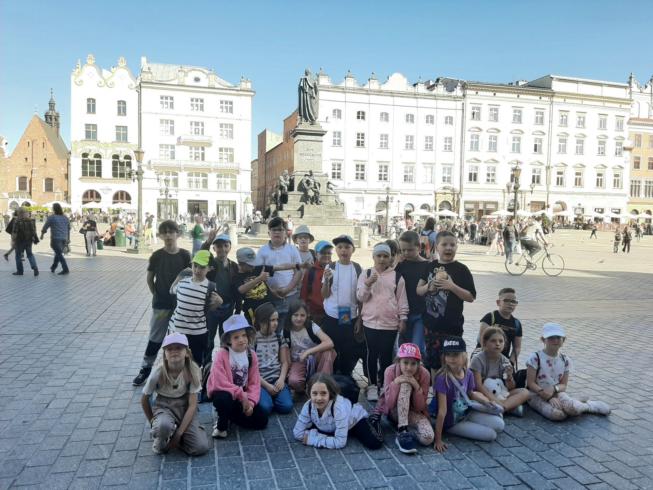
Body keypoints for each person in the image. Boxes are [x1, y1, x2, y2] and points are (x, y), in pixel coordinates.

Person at [133, 221, 192, 386]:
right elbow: (149, 279)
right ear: (160, 236)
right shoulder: (157, 256)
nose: (168, 235)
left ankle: (182, 371)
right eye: (164, 232)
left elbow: (190, 276)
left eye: (171, 232)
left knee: (181, 339)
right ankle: (145, 369)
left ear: (177, 234)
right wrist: (157, 295)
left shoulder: (185, 255)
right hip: (161, 306)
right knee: (155, 338)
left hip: (180, 305)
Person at [140, 332, 209, 456]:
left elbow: (192, 405)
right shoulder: (158, 372)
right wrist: (152, 422)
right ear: (165, 354)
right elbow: (144, 399)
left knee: (201, 447)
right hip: (164, 407)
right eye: (169, 349)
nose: (174, 351)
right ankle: (163, 434)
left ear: (187, 352)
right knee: (162, 431)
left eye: (178, 348)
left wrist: (178, 434)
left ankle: (178, 435)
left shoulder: (193, 370)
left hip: (185, 407)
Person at [416, 231, 476, 372]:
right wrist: (428, 287)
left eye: (452, 245)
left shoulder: (462, 269)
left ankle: (451, 386)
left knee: (453, 363)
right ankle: (436, 386)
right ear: (437, 247)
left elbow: (471, 297)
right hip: (431, 326)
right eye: (444, 244)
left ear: (456, 247)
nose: (449, 248)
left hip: (452, 327)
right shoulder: (429, 266)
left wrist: (452, 286)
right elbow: (418, 290)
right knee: (433, 364)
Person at [433, 337, 505, 452]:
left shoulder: (468, 373)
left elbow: (471, 394)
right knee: (491, 435)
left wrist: (485, 401)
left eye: (455, 354)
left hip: (467, 412)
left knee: (500, 425)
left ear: (464, 355)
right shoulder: (443, 378)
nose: (451, 358)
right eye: (448, 355)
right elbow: (442, 411)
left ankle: (472, 423)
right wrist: (438, 439)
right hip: (452, 422)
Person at [357, 243, 408, 402]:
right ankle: (372, 385)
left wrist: (403, 318)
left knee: (386, 355)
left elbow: (402, 299)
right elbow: (361, 297)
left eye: (385, 256)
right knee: (372, 354)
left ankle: (386, 384)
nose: (382, 259)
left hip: (390, 323)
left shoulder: (397, 277)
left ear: (390, 258)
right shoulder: (366, 274)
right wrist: (367, 284)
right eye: (378, 255)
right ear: (373, 257)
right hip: (370, 322)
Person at [526, 323, 610, 420]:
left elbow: (563, 385)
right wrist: (548, 397)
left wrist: (553, 389)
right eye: (551, 337)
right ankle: (576, 401)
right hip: (536, 394)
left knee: (572, 409)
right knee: (558, 415)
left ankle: (589, 406)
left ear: (564, 340)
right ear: (543, 339)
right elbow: (530, 383)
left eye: (558, 337)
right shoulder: (535, 358)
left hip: (556, 391)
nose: (555, 340)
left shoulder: (565, 360)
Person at [207, 315, 268, 438]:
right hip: (225, 393)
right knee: (223, 399)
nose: (241, 340)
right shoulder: (221, 354)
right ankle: (221, 427)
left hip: (242, 397)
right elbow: (219, 383)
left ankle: (229, 415)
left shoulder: (251, 355)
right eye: (236, 337)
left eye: (244, 335)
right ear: (229, 340)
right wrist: (241, 395)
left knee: (262, 420)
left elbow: (254, 382)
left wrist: (250, 403)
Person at [293, 373, 383, 450]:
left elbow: (340, 442)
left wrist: (312, 439)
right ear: (309, 394)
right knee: (329, 432)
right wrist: (325, 438)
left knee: (374, 443)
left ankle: (374, 420)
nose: (319, 398)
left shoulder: (338, 407)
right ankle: (336, 433)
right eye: (315, 393)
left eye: (323, 393)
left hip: (353, 423)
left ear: (330, 394)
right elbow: (297, 433)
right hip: (330, 426)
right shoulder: (308, 406)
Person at [374, 343, 434, 454]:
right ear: (399, 361)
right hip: (395, 410)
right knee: (405, 384)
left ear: (418, 364)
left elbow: (420, 407)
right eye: (405, 362)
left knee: (428, 438)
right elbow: (390, 404)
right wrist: (396, 382)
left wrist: (416, 386)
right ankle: (402, 431)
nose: (409, 367)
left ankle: (408, 429)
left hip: (414, 412)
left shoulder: (425, 374)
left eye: (413, 363)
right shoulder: (389, 371)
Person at [168, 250, 222, 365]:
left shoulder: (210, 288)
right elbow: (171, 290)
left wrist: (219, 303)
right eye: (195, 265)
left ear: (209, 268)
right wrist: (180, 275)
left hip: (197, 334)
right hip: (177, 331)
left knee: (195, 364)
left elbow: (210, 309)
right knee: (175, 363)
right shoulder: (182, 283)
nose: (197, 270)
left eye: (202, 267)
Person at [321, 234, 363, 376]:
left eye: (347, 247)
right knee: (333, 344)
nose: (343, 250)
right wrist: (326, 280)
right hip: (332, 314)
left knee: (347, 346)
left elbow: (360, 296)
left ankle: (345, 375)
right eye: (339, 247)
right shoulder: (331, 267)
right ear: (336, 250)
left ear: (353, 250)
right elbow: (325, 294)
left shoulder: (357, 268)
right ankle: (331, 374)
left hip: (348, 314)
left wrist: (359, 318)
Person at [255, 217, 303, 328]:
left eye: (280, 229)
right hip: (270, 297)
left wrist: (287, 289)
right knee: (272, 327)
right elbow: (258, 274)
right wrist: (271, 291)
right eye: (274, 230)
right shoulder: (262, 251)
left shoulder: (292, 249)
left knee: (290, 326)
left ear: (286, 233)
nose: (277, 232)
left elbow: (298, 271)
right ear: (269, 233)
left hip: (290, 296)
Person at [470, 327, 530, 416]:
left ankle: (501, 408)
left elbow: (510, 388)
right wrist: (496, 401)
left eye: (501, 341)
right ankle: (508, 408)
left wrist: (509, 377)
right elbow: (478, 386)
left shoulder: (505, 360)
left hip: (501, 393)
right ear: (485, 342)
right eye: (493, 341)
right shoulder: (477, 359)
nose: (497, 344)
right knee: (476, 395)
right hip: (484, 394)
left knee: (525, 392)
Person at [284, 300, 336, 394]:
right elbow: (286, 354)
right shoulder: (286, 331)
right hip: (299, 361)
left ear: (307, 315)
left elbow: (329, 342)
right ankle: (305, 389)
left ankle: (323, 384)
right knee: (294, 381)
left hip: (316, 358)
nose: (299, 318)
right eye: (295, 315)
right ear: (290, 315)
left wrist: (308, 352)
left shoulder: (311, 326)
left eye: (302, 315)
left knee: (328, 352)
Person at [202, 233, 239, 361]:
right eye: (218, 246)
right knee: (208, 338)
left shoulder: (234, 266)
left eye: (225, 245)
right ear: (214, 248)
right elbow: (203, 253)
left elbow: (237, 289)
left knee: (226, 338)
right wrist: (208, 242)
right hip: (212, 309)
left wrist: (238, 309)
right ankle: (207, 364)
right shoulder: (211, 264)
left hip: (228, 308)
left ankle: (224, 363)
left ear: (230, 247)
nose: (222, 249)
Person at [252, 303, 292, 415]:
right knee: (266, 408)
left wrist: (281, 379)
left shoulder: (279, 337)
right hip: (260, 381)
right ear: (262, 322)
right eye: (272, 320)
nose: (276, 323)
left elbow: (284, 362)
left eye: (277, 320)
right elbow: (251, 369)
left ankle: (275, 396)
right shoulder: (253, 340)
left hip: (276, 379)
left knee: (287, 406)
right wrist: (266, 386)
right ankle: (267, 397)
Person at [395, 231, 429, 355]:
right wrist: (396, 263)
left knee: (417, 348)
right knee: (403, 348)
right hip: (403, 313)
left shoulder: (428, 265)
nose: (405, 253)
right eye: (402, 250)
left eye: (409, 250)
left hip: (420, 314)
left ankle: (420, 367)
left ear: (419, 247)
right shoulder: (400, 265)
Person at [477, 288, 522, 368]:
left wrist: (510, 363)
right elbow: (482, 340)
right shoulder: (490, 317)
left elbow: (517, 347)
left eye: (513, 301)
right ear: (498, 302)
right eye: (506, 300)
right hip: (484, 358)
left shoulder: (516, 324)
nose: (510, 304)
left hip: (503, 360)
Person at [300, 240, 333, 325]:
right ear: (316, 254)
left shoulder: (335, 269)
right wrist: (305, 311)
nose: (326, 255)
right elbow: (304, 294)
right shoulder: (311, 272)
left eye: (329, 253)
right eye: (323, 253)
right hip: (315, 314)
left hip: (332, 313)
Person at [40, 203, 70, 275]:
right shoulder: (65, 218)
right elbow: (68, 228)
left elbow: (45, 226)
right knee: (58, 253)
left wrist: (42, 234)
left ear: (54, 209)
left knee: (59, 253)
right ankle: (53, 267)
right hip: (64, 238)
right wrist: (68, 238)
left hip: (55, 238)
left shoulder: (52, 217)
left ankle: (65, 269)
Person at [10, 207, 39, 276]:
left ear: (18, 213)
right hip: (29, 241)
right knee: (30, 254)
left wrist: (13, 241)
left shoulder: (17, 221)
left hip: (19, 241)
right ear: (26, 212)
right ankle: (35, 267)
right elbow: (34, 231)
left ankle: (20, 271)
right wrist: (34, 238)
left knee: (18, 255)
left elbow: (14, 232)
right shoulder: (31, 220)